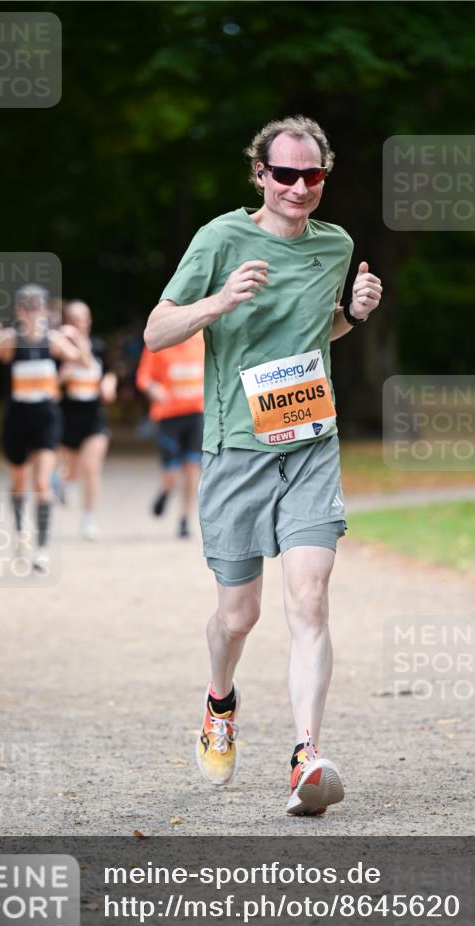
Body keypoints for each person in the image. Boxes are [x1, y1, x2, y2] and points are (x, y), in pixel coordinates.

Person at [144, 116, 383, 815]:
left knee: (309, 598)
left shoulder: (334, 244)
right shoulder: (220, 239)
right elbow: (159, 330)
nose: (298, 187)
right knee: (238, 615)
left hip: (309, 442)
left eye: (312, 175)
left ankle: (306, 757)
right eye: (284, 174)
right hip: (236, 450)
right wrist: (219, 301)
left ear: (323, 176)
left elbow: (319, 327)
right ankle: (220, 700)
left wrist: (354, 313)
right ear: (260, 175)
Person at [0, 284, 90, 573]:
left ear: (46, 310)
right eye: (27, 307)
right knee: (19, 480)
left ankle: (42, 549)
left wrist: (79, 337)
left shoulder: (54, 340)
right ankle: (22, 532)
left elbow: (84, 362)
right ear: (19, 311)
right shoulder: (10, 340)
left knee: (43, 482)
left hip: (46, 419)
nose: (33, 313)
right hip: (16, 420)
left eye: (38, 307)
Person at [136, 331, 205, 538]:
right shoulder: (160, 340)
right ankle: (165, 492)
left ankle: (184, 519)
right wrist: (152, 388)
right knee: (172, 476)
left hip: (196, 414)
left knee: (192, 468)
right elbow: (143, 377)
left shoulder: (201, 339)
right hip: (168, 417)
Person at [58, 300, 117, 540]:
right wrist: (61, 377)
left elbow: (110, 371)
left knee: (91, 466)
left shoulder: (99, 347)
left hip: (94, 418)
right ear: (66, 322)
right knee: (72, 470)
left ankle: (89, 519)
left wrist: (109, 383)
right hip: (66, 417)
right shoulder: (57, 348)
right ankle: (65, 483)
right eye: (74, 319)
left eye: (84, 318)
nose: (80, 323)